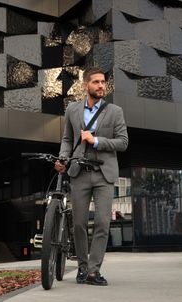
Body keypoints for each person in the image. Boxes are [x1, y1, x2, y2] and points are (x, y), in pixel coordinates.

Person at [55, 66, 128, 286]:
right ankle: (82, 268)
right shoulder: (72, 110)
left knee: (102, 224)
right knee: (78, 224)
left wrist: (95, 141)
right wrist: (63, 159)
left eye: (103, 82)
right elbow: (68, 139)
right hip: (79, 172)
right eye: (96, 82)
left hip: (104, 174)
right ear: (85, 85)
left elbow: (123, 142)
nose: (101, 86)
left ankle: (94, 272)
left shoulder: (115, 111)